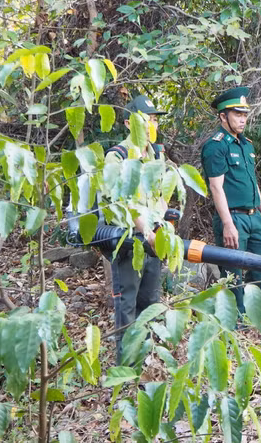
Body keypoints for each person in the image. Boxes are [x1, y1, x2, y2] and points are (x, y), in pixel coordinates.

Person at [201, 87, 261, 315]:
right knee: (232, 274)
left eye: (244, 114)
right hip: (233, 217)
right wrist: (227, 224)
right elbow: (216, 187)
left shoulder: (247, 145)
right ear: (223, 116)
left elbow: (252, 182)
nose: (242, 119)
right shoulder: (216, 146)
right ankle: (234, 319)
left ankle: (256, 316)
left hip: (254, 217)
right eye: (237, 114)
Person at [105, 95, 167, 365]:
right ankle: (125, 367)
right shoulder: (117, 157)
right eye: (147, 119)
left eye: (154, 119)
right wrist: (147, 230)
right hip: (130, 240)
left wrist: (158, 227)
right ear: (129, 123)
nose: (152, 124)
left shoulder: (157, 154)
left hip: (155, 239)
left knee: (151, 302)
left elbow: (164, 193)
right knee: (127, 304)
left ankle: (146, 362)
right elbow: (121, 202)